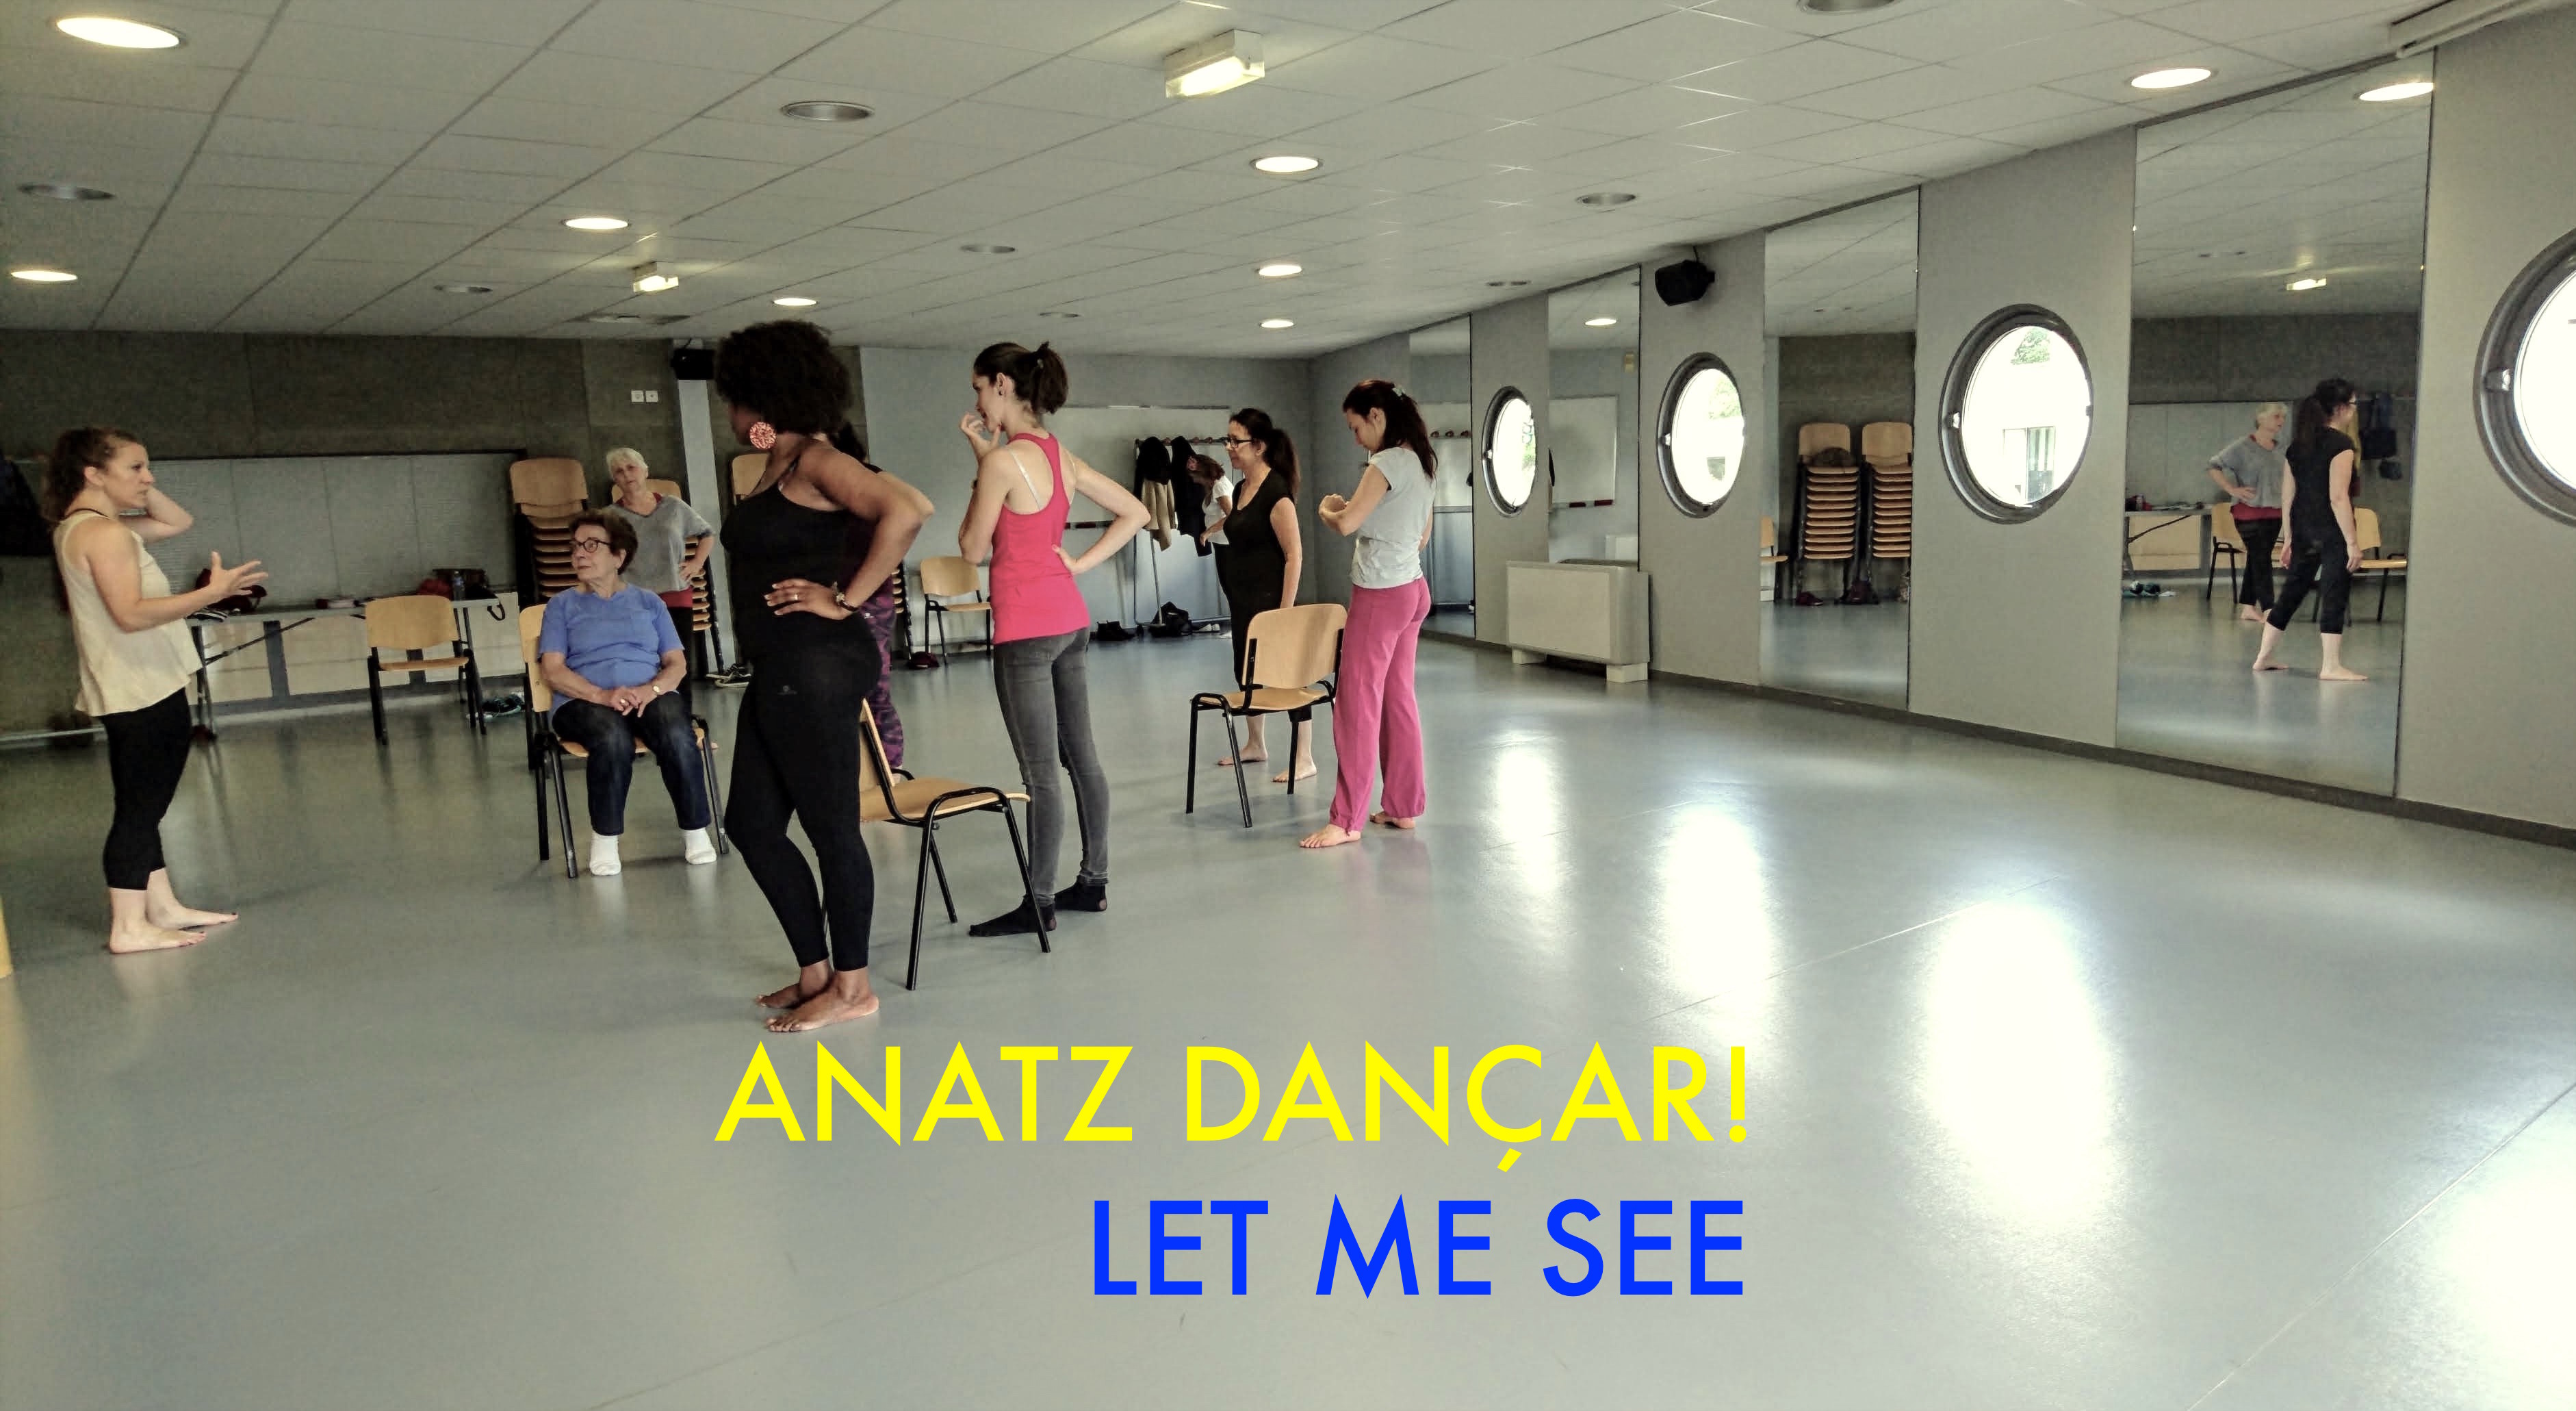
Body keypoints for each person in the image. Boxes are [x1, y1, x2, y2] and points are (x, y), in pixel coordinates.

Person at [714, 320, 927, 1031]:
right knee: (751, 824)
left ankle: (853, 987)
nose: (731, 412)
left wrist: (845, 598)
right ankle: (814, 972)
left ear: (765, 394)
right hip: (781, 664)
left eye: (735, 398)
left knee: (831, 825)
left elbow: (908, 510)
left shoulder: (817, 460)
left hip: (817, 661)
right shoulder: (779, 460)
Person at [44, 426, 267, 952]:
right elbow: (130, 614)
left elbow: (178, 521)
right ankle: (128, 926)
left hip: (138, 682)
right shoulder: (105, 534)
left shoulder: (89, 526)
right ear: (93, 474)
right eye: (136, 468)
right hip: (138, 686)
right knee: (140, 809)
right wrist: (209, 594)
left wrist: (135, 486)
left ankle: (160, 905)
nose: (148, 478)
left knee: (145, 802)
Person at [956, 342, 1148, 936]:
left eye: (979, 388)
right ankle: (1093, 882)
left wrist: (982, 465)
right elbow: (1136, 512)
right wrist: (1082, 564)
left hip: (1024, 633)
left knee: (1040, 773)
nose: (978, 401)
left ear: (1002, 385)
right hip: (1070, 623)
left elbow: (971, 548)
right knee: (1081, 757)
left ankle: (1038, 902)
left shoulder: (1001, 463)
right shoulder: (1059, 454)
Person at [537, 509, 714, 876]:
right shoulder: (561, 606)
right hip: (583, 701)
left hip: (648, 694)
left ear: (618, 556)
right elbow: (552, 670)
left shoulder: (650, 602)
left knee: (675, 731)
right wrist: (601, 696)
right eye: (575, 547)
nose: (579, 554)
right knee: (611, 738)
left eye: (591, 545)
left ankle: (696, 831)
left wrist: (651, 690)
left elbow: (677, 664)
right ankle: (605, 839)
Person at [1300, 381, 1437, 851]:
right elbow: (1421, 536)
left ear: (1377, 416)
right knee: (1398, 698)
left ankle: (1347, 819)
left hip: (1380, 597)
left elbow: (1345, 522)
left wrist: (1327, 507)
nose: (1356, 439)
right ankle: (1401, 806)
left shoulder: (1385, 463)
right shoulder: (1423, 461)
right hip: (1413, 591)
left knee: (1356, 704)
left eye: (1356, 427)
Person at [1213, 407, 1313, 784]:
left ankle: (1304, 758)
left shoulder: (1276, 493)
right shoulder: (1240, 490)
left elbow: (1294, 556)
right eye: (1227, 440)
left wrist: (1284, 613)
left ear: (1258, 446)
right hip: (1242, 599)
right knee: (1247, 669)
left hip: (1271, 600)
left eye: (1235, 441)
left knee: (1287, 678)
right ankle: (1256, 744)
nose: (1229, 448)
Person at [826, 422, 934, 770]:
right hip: (831, 599)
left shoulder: (865, 477)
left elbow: (922, 508)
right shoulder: (815, 481)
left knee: (874, 692)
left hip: (866, 598)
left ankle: (890, 773)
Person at [2252, 379, 2367, 682]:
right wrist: (2352, 542)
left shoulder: (2297, 447)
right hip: (2331, 530)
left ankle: (2263, 657)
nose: (2354, 411)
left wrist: (2289, 537)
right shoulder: (2342, 446)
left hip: (2303, 527)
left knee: (2293, 591)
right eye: (2353, 405)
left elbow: (2287, 496)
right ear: (2340, 409)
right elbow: (2338, 497)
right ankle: (2331, 665)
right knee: (2334, 591)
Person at [601, 447, 713, 681]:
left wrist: (696, 563)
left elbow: (707, 534)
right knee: (643, 667)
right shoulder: (610, 517)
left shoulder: (673, 506)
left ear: (645, 471)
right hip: (634, 599)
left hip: (675, 593)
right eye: (619, 471)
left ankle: (682, 705)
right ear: (615, 479)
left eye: (631, 467)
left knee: (679, 667)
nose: (627, 474)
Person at [2207, 404, 2289, 622]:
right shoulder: (2242, 446)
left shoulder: (2282, 448)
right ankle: (2270, 608)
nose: (2281, 421)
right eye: (2276, 416)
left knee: (2257, 557)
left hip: (2274, 512)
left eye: (2283, 417)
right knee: (2261, 558)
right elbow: (2214, 465)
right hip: (2248, 513)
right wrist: (2231, 489)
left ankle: (2248, 606)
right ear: (2261, 419)